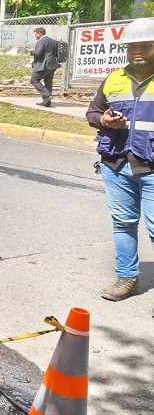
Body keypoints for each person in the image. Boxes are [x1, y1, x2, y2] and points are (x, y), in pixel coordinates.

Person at [86, 17, 154, 314]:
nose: (137, 50)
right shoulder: (113, 79)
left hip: (151, 166)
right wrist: (103, 120)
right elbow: (92, 113)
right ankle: (127, 278)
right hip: (116, 164)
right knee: (123, 223)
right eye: (132, 46)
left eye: (145, 45)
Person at [30, 26, 59, 107]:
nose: (35, 36)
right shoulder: (53, 41)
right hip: (52, 65)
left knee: (34, 80)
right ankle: (47, 102)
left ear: (40, 33)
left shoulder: (41, 41)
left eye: (36, 34)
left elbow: (38, 54)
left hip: (43, 65)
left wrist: (31, 52)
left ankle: (47, 95)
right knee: (48, 83)